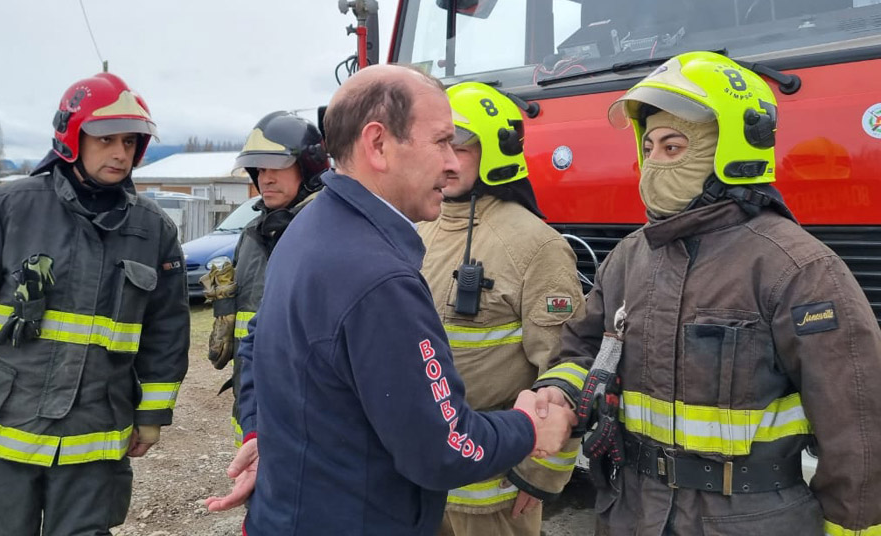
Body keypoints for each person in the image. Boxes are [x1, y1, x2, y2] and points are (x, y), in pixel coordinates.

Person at [204, 64, 576, 535]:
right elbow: (441, 448)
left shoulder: (309, 229)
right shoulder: (377, 276)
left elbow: (264, 346)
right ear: (378, 144)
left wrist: (266, 437)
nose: (452, 163)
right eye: (442, 142)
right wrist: (529, 428)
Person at [532, 51, 881, 535]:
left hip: (749, 521)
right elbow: (582, 349)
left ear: (733, 148)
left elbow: (858, 425)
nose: (653, 163)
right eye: (648, 147)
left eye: (673, 147)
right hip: (632, 516)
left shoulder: (798, 268)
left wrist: (855, 527)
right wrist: (558, 391)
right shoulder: (630, 256)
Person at [0, 72, 190, 535]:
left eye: (130, 141)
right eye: (106, 139)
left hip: (93, 443)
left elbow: (166, 331)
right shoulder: (11, 206)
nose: (120, 153)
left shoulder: (154, 230)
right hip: (1, 434)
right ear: (72, 137)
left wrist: (151, 415)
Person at [417, 81, 585, 536]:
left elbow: (567, 366)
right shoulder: (417, 230)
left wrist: (543, 476)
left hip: (494, 498)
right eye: (437, 143)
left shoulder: (536, 246)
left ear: (497, 150)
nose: (446, 159)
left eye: (459, 145)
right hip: (417, 483)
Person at [199, 111, 328, 447]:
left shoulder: (328, 232)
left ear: (309, 166)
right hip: (253, 408)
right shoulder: (252, 236)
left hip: (310, 412)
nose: (265, 178)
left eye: (277, 166)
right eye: (260, 169)